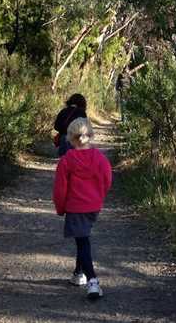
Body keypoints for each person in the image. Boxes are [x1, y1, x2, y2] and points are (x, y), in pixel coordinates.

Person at [53, 117, 112, 300]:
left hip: (76, 207)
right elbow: (107, 181)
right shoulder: (100, 159)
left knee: (83, 242)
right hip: (92, 207)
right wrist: (98, 197)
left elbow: (60, 189)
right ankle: (79, 273)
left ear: (70, 138)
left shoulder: (66, 161)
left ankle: (92, 282)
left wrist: (61, 207)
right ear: (91, 135)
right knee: (82, 237)